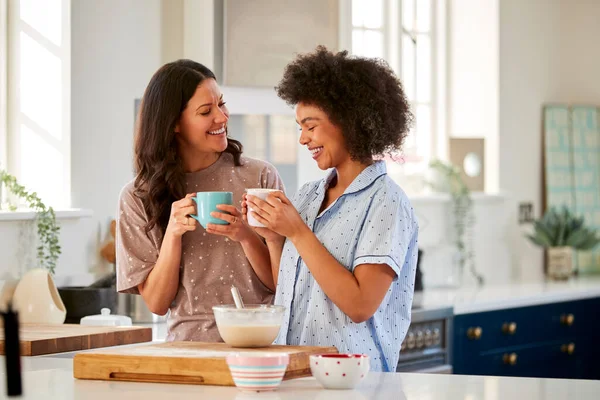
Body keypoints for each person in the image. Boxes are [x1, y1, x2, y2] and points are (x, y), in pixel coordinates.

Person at [246, 46, 418, 372]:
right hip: (296, 379)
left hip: (355, 387)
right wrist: (270, 236)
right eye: (300, 128)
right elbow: (285, 284)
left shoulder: (387, 203)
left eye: (310, 126)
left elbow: (360, 304)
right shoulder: (309, 196)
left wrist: (297, 231)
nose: (303, 139)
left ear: (350, 121)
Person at [116, 59, 284, 342]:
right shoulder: (138, 197)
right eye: (206, 111)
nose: (222, 117)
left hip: (261, 344)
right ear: (174, 124)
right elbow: (157, 304)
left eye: (221, 104)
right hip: (188, 349)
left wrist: (244, 235)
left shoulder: (260, 177)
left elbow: (281, 284)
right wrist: (173, 233)